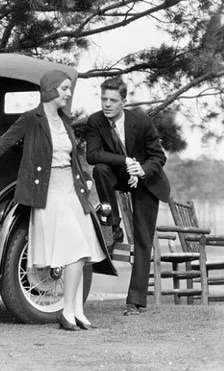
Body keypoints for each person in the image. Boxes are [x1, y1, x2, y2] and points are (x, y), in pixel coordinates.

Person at [0, 69, 108, 331]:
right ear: (50, 90)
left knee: (81, 253)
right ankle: (68, 313)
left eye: (68, 89)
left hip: (72, 190)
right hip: (50, 191)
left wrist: (85, 178)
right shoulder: (31, 120)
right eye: (63, 89)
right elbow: (0, 146)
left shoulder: (63, 121)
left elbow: (73, 157)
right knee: (76, 251)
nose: (67, 93)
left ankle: (76, 311)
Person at [85, 77, 170, 316]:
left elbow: (158, 157)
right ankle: (113, 225)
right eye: (104, 99)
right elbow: (93, 155)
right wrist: (125, 162)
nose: (107, 104)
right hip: (120, 175)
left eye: (113, 100)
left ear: (124, 101)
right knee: (100, 170)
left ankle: (135, 302)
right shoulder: (95, 122)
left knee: (143, 239)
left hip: (146, 181)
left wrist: (141, 170)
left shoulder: (142, 122)